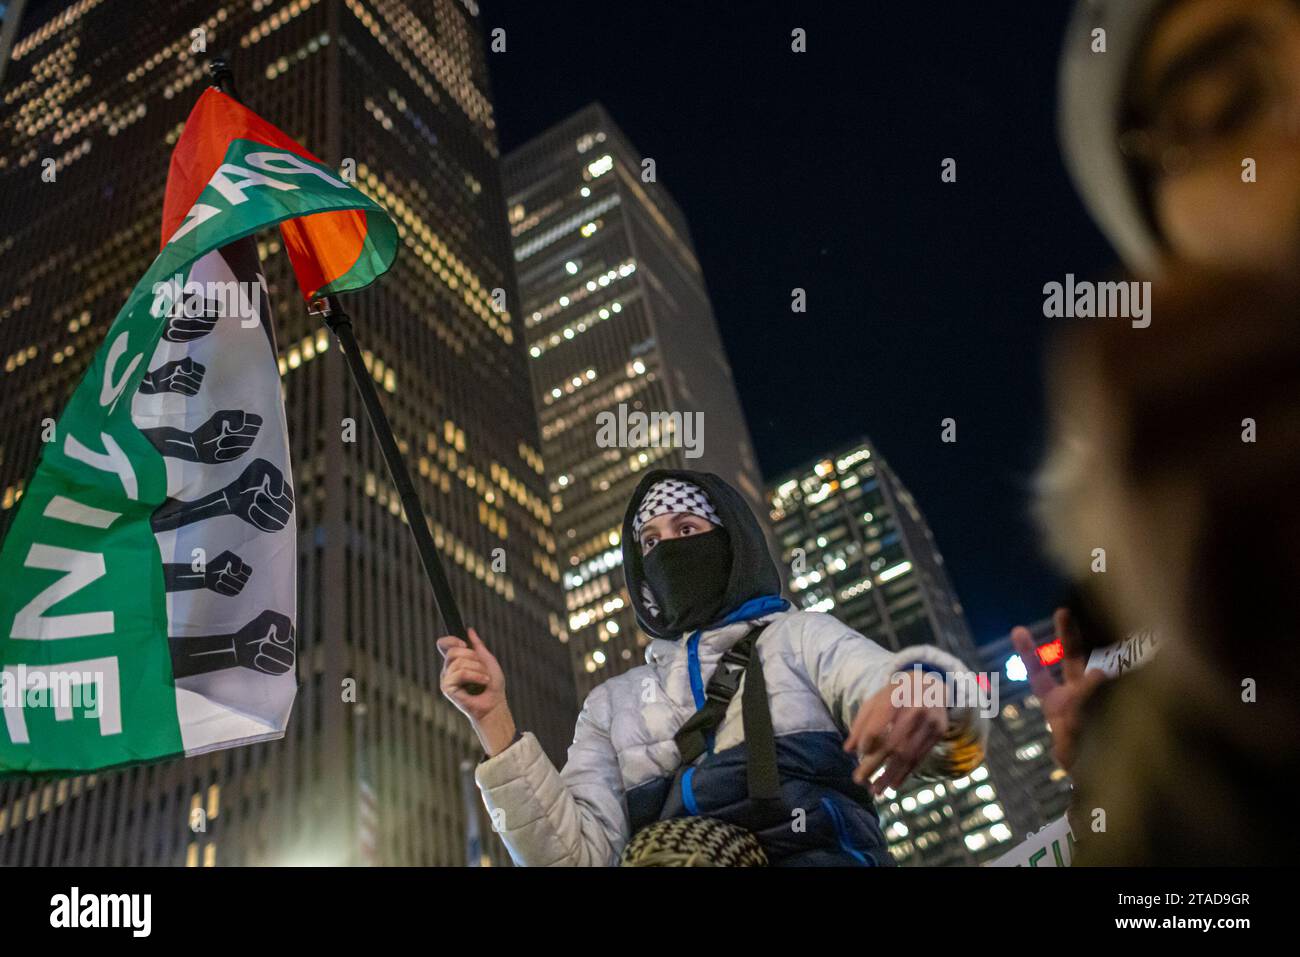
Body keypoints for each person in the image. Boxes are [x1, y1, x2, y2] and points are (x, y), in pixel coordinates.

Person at [438, 470, 988, 866]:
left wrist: (924, 693)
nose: (667, 550)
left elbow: (894, 692)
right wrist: (495, 723)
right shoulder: (611, 706)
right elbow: (575, 859)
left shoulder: (799, 638)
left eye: (686, 530)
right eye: (650, 541)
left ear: (732, 543)